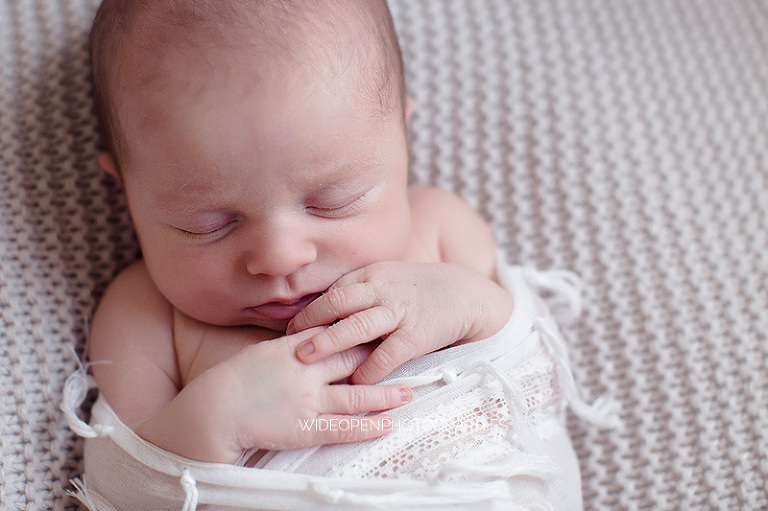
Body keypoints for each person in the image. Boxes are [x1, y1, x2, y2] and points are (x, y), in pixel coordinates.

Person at [67, 0, 600, 508]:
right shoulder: (148, 314)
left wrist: (471, 306)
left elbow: (540, 385)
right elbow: (117, 487)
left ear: (401, 138)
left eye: (332, 202)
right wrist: (212, 422)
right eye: (208, 224)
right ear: (128, 189)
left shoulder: (439, 230)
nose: (279, 258)